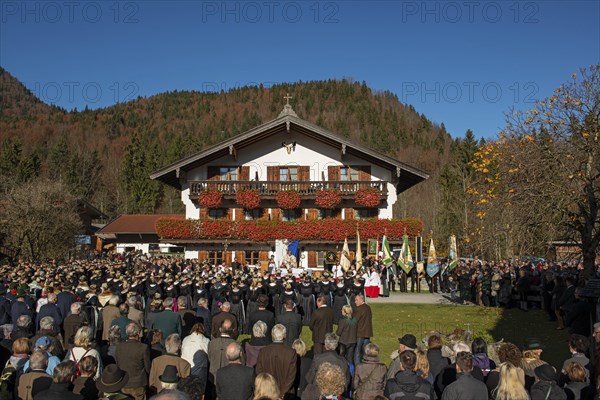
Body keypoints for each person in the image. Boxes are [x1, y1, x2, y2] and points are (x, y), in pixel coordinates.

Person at [255, 324, 297, 397]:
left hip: (268, 392)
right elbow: (291, 376)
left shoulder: (263, 351)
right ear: (284, 336)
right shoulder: (291, 352)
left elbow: (259, 372)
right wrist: (283, 393)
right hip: (285, 394)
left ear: (272, 335)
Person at [115, 322, 151, 400]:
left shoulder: (119, 347)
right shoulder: (143, 347)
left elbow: (118, 364)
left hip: (124, 383)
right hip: (138, 384)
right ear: (138, 333)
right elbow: (148, 367)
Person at [207, 319, 236, 385]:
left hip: (213, 378)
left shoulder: (212, 343)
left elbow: (209, 358)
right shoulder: (235, 344)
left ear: (220, 329)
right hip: (229, 378)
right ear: (232, 330)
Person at [354, 293, 373, 367]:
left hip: (360, 333)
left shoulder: (359, 309)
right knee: (366, 351)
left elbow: (355, 321)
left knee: (357, 352)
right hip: (367, 333)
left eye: (356, 300)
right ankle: (366, 365)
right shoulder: (368, 307)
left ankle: (358, 367)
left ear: (361, 300)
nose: (355, 302)